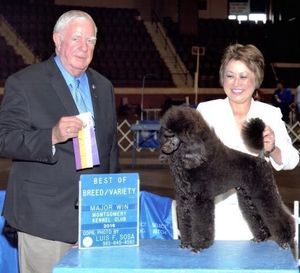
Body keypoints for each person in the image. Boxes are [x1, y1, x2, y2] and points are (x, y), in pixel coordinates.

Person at [0, 10, 120, 273]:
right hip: (44, 221)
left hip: (94, 222)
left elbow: (111, 151)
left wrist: (107, 209)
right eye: (77, 38)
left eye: (90, 41)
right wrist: (51, 136)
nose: (84, 47)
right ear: (57, 39)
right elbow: (5, 139)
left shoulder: (104, 86)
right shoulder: (25, 82)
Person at [196, 44, 299, 240]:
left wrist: (273, 148)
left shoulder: (269, 113)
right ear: (222, 78)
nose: (236, 83)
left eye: (243, 76)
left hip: (259, 217)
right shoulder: (206, 111)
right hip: (216, 217)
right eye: (230, 75)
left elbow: (292, 160)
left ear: (256, 79)